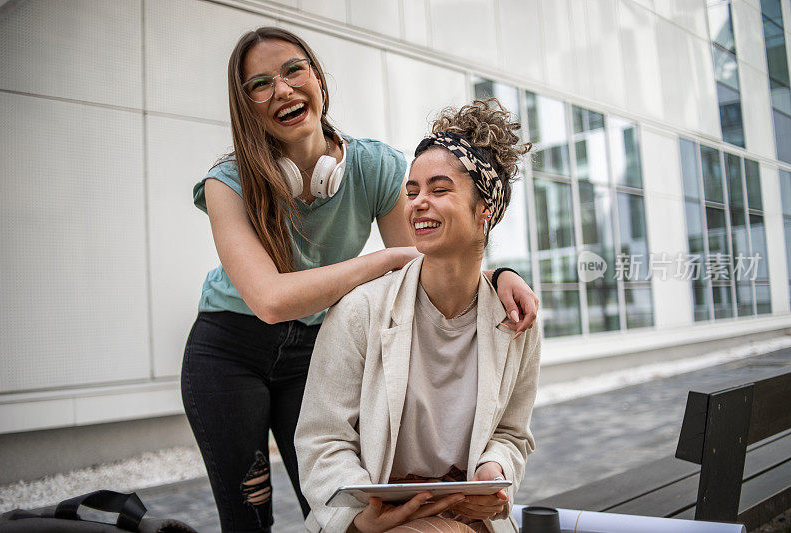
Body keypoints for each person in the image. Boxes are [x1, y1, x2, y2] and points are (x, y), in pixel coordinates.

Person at [181, 28, 539, 532]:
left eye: (292, 70)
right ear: (247, 106)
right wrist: (379, 262)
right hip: (230, 344)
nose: (282, 90)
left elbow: (433, 257)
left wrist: (498, 274)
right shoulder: (228, 182)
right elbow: (269, 300)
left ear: (318, 79)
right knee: (247, 513)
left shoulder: (373, 165)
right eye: (259, 85)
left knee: (334, 508)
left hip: (312, 342)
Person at [295, 99, 542, 533]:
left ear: (486, 211)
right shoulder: (361, 310)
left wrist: (493, 475)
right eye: (412, 192)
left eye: (439, 190)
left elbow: (511, 433)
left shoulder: (515, 320)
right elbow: (323, 438)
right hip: (376, 524)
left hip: (467, 517)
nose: (417, 204)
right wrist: (359, 518)